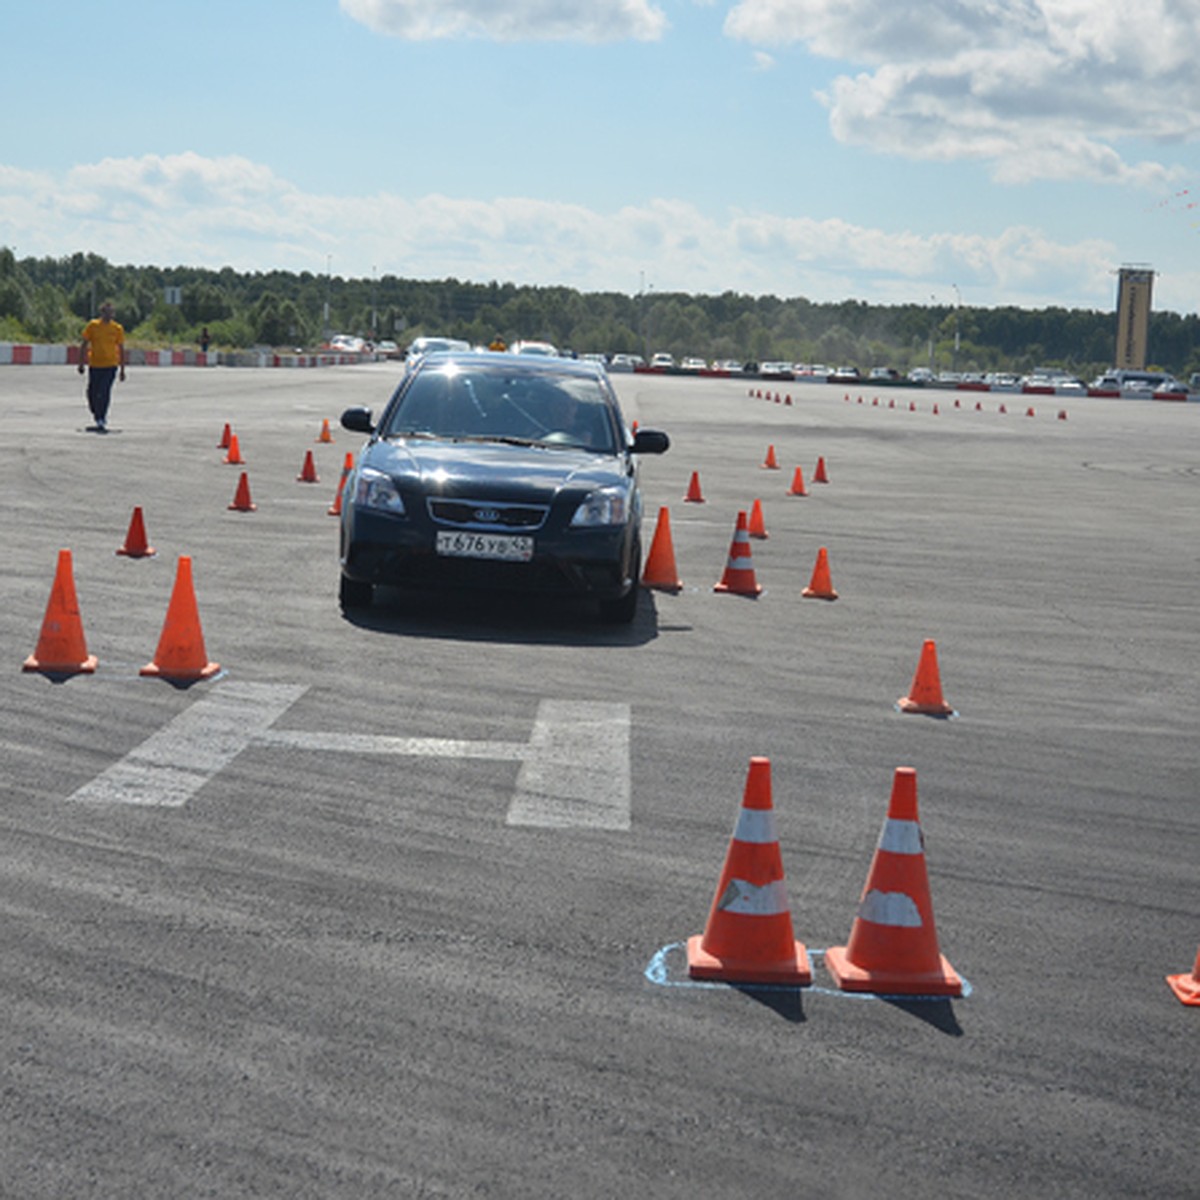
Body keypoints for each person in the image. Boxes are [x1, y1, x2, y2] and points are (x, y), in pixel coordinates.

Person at [78, 302, 126, 431]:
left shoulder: (117, 329)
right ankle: (96, 412)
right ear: (102, 312)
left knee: (104, 392)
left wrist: (122, 370)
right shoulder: (93, 326)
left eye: (111, 312)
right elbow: (84, 344)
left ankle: (101, 418)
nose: (109, 315)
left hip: (110, 366)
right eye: (106, 312)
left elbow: (121, 349)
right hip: (95, 365)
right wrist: (81, 363)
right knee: (92, 392)